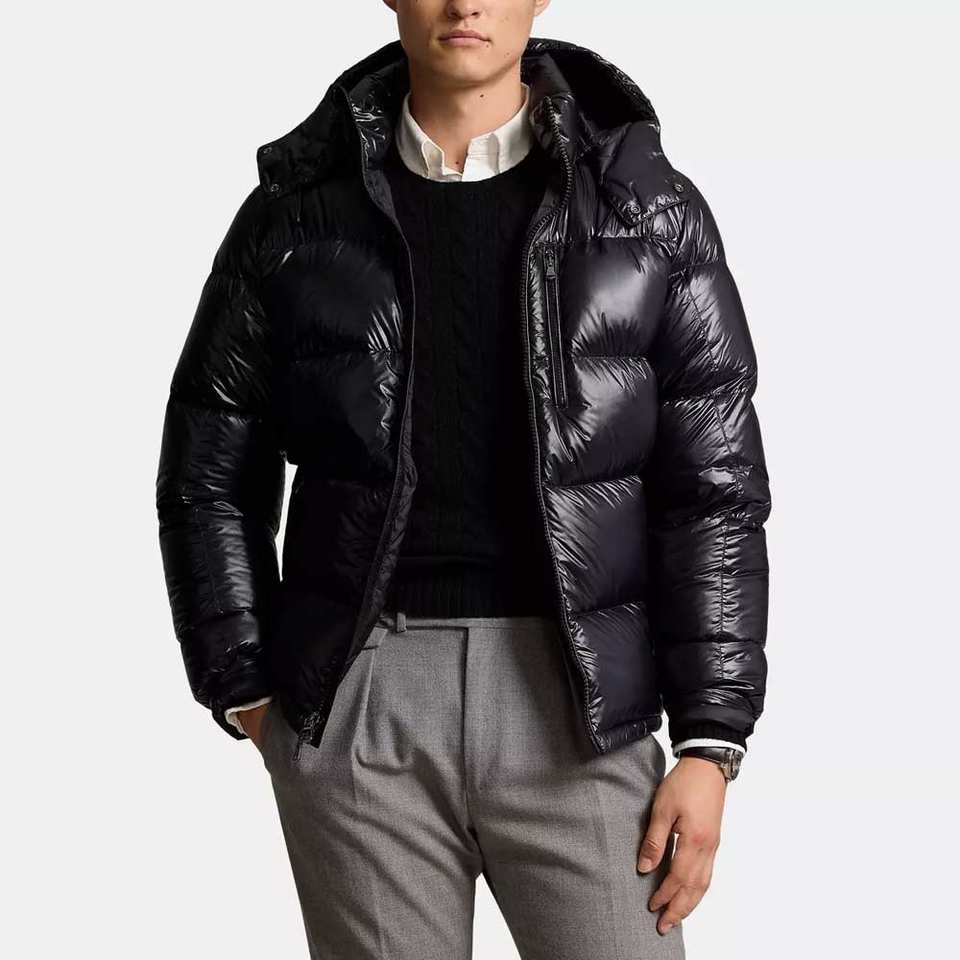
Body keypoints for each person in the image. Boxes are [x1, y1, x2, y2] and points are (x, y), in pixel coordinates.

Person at [155, 2, 772, 957]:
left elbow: (713, 487)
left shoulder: (647, 209)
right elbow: (207, 470)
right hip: (363, 700)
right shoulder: (295, 214)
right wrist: (244, 686)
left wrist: (710, 738)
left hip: (581, 703)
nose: (466, 3)